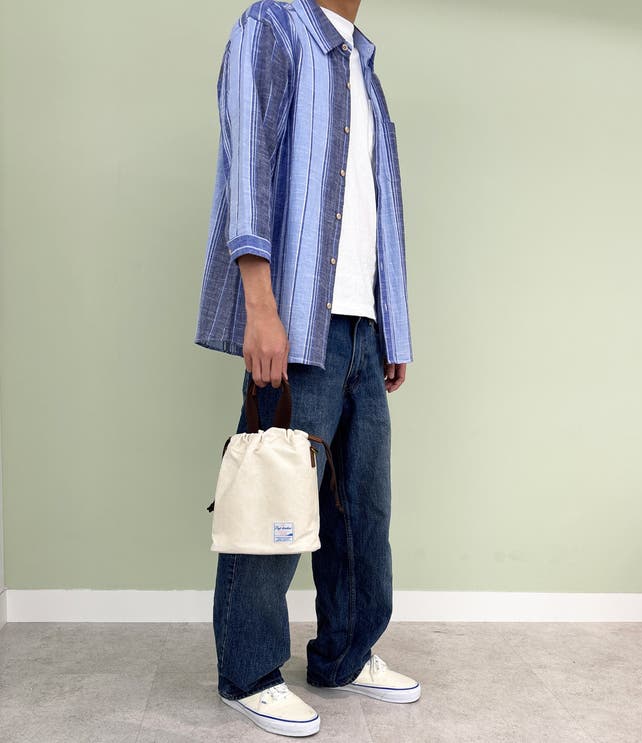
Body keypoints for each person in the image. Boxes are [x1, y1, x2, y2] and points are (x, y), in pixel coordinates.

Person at [194, 0, 417, 736]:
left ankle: (346, 655)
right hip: (295, 318)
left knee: (363, 511)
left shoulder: (362, 64)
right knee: (273, 494)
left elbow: (379, 209)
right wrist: (260, 306)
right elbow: (248, 169)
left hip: (361, 326)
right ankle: (249, 671)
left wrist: (392, 325)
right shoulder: (271, 27)